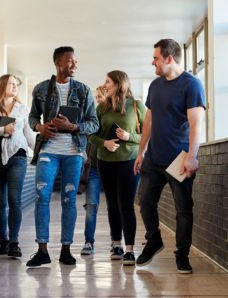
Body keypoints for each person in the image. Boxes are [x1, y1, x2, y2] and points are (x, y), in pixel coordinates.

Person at [133, 39, 206, 274]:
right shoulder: (154, 86)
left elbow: (196, 124)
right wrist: (141, 151)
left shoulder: (192, 85)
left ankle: (182, 255)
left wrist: (192, 157)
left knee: (183, 209)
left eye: (155, 58)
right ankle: (154, 240)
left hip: (179, 159)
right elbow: (149, 121)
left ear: (169, 58)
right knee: (144, 202)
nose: (152, 62)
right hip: (154, 157)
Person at [26, 46, 99, 267]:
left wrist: (73, 126)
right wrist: (40, 127)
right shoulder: (40, 90)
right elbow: (31, 118)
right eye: (70, 61)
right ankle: (42, 250)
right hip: (48, 151)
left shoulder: (84, 91)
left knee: (69, 200)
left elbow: (94, 124)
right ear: (58, 63)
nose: (74, 65)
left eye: (75, 61)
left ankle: (66, 249)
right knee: (42, 197)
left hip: (73, 153)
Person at [89, 70, 146, 265]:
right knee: (112, 204)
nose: (105, 85)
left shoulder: (136, 106)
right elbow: (90, 134)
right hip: (105, 161)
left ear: (119, 84)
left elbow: (148, 134)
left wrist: (130, 137)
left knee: (126, 205)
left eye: (108, 82)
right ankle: (116, 244)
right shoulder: (101, 108)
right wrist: (103, 143)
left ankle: (130, 249)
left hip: (129, 161)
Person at [0, 74, 35, 257]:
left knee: (14, 200)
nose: (14, 87)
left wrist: (42, 151)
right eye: (11, 83)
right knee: (0, 202)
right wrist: (3, 130)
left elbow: (28, 136)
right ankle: (3, 240)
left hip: (17, 157)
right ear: (2, 86)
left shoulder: (22, 109)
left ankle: (14, 242)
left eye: (16, 84)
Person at [80, 86, 105, 255]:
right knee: (91, 205)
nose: (97, 100)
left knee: (117, 207)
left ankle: (117, 242)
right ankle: (89, 241)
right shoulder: (93, 116)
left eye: (100, 96)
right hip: (94, 167)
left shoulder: (115, 115)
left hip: (113, 166)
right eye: (96, 97)